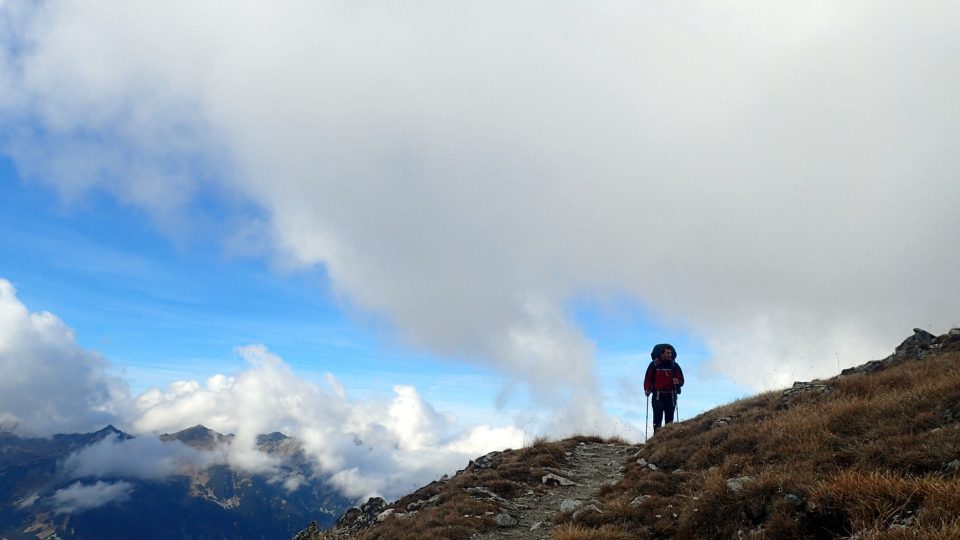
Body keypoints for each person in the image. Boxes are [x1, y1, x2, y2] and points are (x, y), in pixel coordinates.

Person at [644, 343, 684, 433]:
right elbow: (648, 378)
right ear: (662, 354)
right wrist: (647, 389)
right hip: (658, 396)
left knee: (669, 421)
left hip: (671, 397)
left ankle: (666, 442)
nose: (670, 355)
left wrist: (678, 382)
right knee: (657, 419)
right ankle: (657, 442)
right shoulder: (654, 365)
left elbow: (681, 380)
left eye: (671, 353)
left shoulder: (674, 366)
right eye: (668, 353)